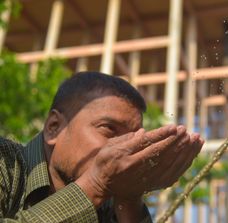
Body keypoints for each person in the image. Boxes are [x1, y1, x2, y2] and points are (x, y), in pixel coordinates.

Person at [0, 71, 204, 223]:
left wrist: (131, 198)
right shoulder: (6, 163)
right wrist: (95, 185)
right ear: (54, 128)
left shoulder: (111, 205)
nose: (124, 146)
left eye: (132, 137)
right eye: (109, 129)